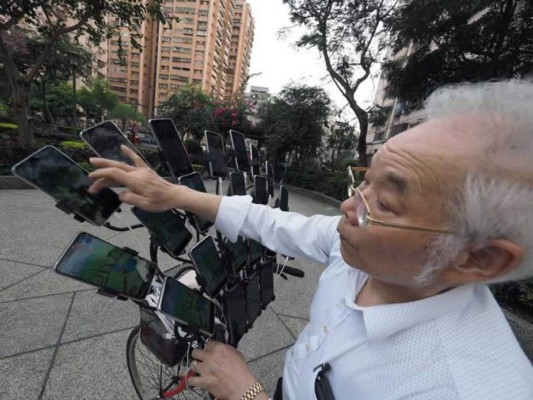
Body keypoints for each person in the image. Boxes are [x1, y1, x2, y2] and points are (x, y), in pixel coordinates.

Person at [88, 81, 533, 400]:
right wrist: (174, 194)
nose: (349, 207)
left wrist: (247, 394)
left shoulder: (465, 385)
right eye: (363, 183)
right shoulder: (365, 251)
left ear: (479, 257)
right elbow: (276, 224)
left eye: (388, 202)